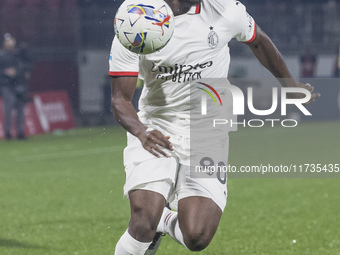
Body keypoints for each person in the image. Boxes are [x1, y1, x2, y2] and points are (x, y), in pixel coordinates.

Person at [109, 0, 320, 254]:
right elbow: (120, 99)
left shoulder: (225, 9)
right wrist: (141, 131)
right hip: (156, 124)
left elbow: (258, 40)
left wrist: (289, 86)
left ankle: (163, 221)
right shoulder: (137, 19)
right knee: (143, 220)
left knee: (197, 236)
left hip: (208, 129)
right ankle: (152, 222)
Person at [0, 34, 31, 140]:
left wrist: (17, 72)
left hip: (19, 84)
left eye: (11, 40)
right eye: (7, 41)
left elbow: (27, 65)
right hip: (6, 85)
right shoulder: (2, 55)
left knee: (20, 108)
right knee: (8, 108)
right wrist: (5, 72)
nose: (10, 43)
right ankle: (7, 133)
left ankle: (21, 132)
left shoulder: (19, 54)